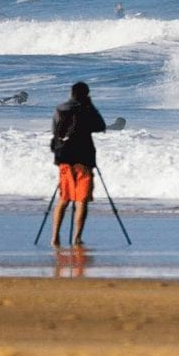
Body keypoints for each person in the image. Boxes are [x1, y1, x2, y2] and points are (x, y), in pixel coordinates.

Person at [49, 82, 107, 248]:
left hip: (64, 159)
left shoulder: (60, 109)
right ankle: (76, 238)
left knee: (64, 199)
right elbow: (100, 126)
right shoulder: (87, 110)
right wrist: (91, 106)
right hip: (84, 160)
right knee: (82, 200)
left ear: (71, 93)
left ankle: (54, 237)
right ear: (86, 94)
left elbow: (55, 132)